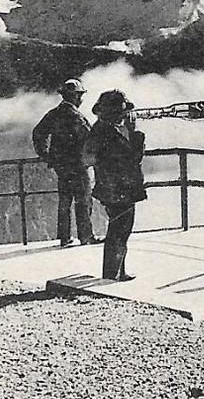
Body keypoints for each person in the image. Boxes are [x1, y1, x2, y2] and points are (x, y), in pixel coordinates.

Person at [84, 89, 146, 282]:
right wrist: (136, 134)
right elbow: (133, 158)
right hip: (119, 189)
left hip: (112, 188)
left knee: (119, 230)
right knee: (120, 231)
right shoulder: (108, 133)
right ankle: (112, 274)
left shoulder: (101, 129)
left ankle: (117, 271)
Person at [31, 78, 98, 248]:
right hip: (77, 165)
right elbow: (90, 139)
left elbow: (39, 133)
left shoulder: (53, 114)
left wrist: (46, 155)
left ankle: (64, 237)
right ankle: (86, 236)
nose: (81, 99)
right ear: (75, 96)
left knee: (65, 201)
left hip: (61, 166)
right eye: (80, 95)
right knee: (83, 200)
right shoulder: (76, 116)